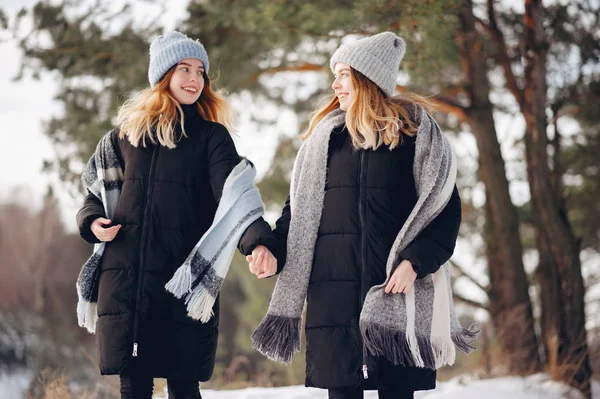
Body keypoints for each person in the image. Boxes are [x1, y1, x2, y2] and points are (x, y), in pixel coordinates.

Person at [242, 32, 478, 399]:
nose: (334, 84)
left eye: (343, 74)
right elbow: (296, 217)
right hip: (332, 302)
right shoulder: (324, 143)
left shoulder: (415, 136)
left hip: (395, 294)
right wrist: (269, 248)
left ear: (368, 78)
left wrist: (415, 263)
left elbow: (443, 213)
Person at [75, 31, 275, 399]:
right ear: (163, 75)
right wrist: (91, 222)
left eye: (201, 71)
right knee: (133, 385)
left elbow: (237, 197)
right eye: (185, 69)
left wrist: (258, 244)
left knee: (183, 386)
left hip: (182, 281)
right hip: (126, 283)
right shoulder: (123, 137)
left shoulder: (211, 138)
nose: (195, 79)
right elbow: (94, 194)